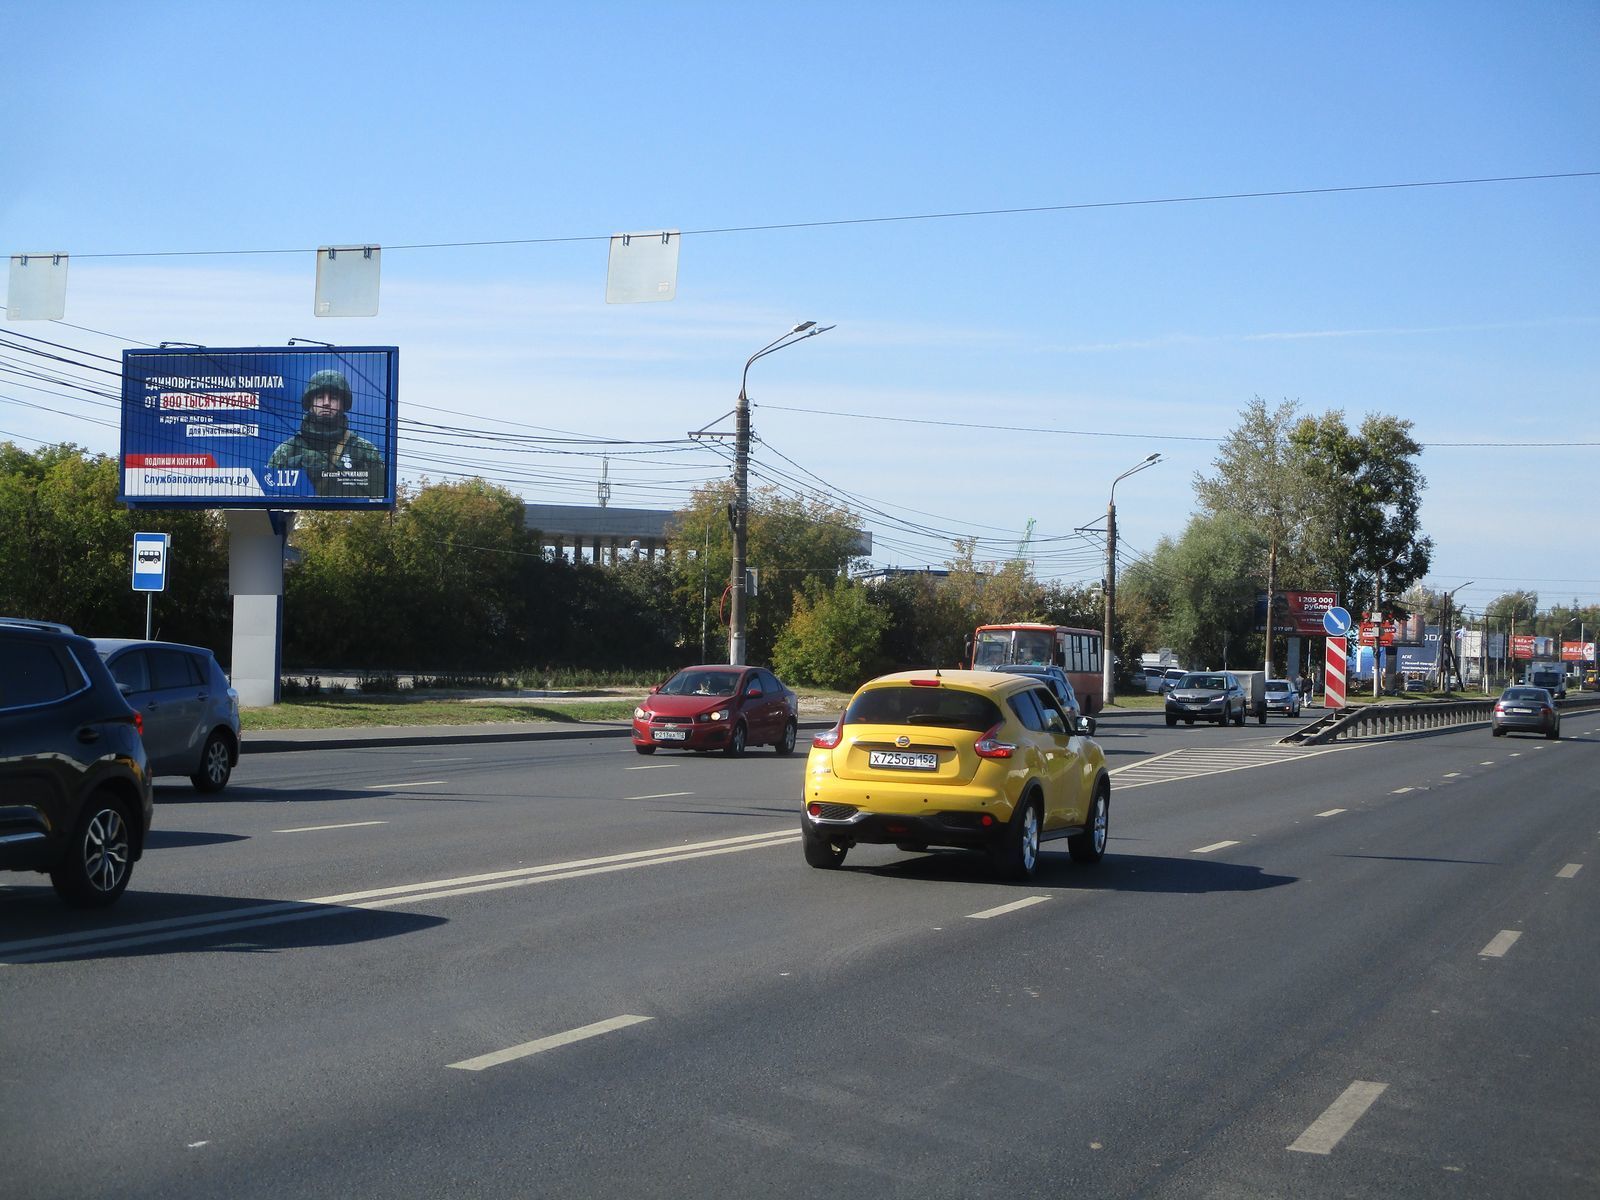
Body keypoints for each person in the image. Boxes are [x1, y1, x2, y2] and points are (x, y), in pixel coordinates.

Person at [267, 370, 386, 497]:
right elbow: (267, 491)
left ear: (342, 405)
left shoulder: (363, 450)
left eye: (333, 398)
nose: (326, 403)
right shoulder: (287, 450)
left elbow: (379, 493)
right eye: (319, 397)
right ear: (310, 403)